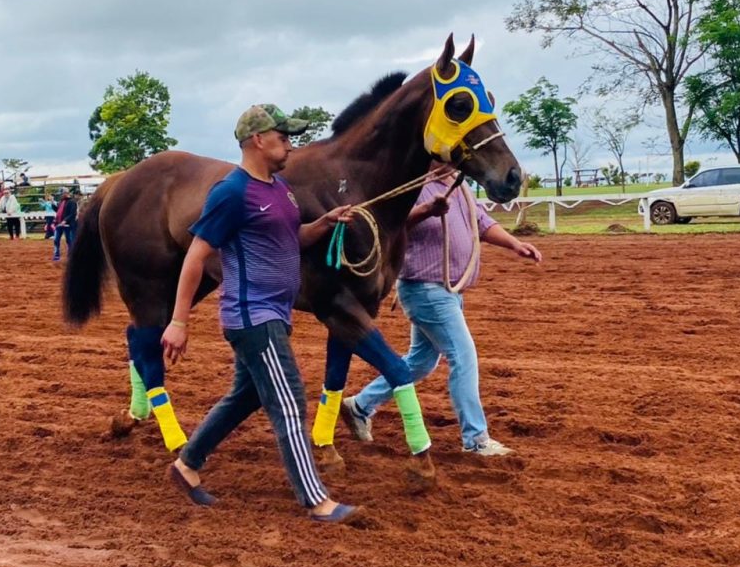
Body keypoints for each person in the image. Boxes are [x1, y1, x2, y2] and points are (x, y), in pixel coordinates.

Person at [161, 104, 360, 523]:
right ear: (258, 140)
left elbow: (291, 238)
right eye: (284, 137)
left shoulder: (279, 189)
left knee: (245, 396)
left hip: (273, 313)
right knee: (289, 401)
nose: (290, 144)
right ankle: (315, 499)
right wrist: (179, 321)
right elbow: (197, 256)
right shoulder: (231, 193)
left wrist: (324, 222)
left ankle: (187, 464)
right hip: (253, 316)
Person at [341, 163, 543, 457]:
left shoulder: (457, 184)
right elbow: (390, 225)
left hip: (444, 290)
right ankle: (476, 439)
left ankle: (359, 406)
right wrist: (426, 211)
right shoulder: (413, 184)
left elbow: (482, 222)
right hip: (427, 289)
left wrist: (514, 243)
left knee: (421, 362)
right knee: (463, 357)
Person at [52, 189, 77, 261]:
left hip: (68, 225)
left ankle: (71, 256)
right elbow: (58, 210)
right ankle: (56, 255)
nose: (60, 195)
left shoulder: (72, 202)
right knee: (56, 240)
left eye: (61, 194)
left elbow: (73, 213)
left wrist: (65, 220)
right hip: (59, 223)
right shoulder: (61, 202)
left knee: (69, 241)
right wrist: (52, 204)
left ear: (65, 193)